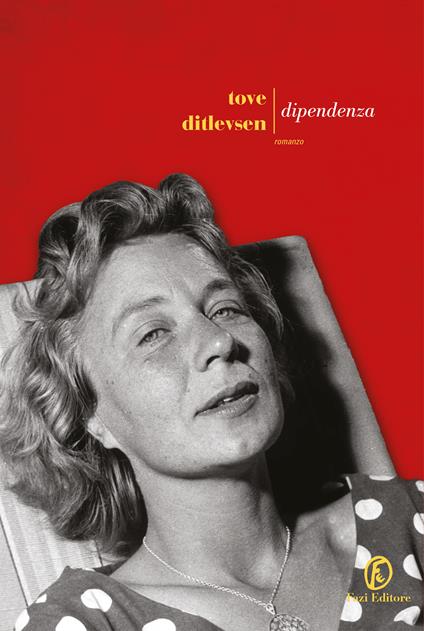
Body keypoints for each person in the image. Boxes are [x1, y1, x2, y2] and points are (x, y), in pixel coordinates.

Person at [0, 174, 422, 631]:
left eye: (226, 309)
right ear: (88, 415)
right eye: (153, 334)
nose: (220, 341)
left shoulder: (409, 521)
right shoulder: (85, 621)